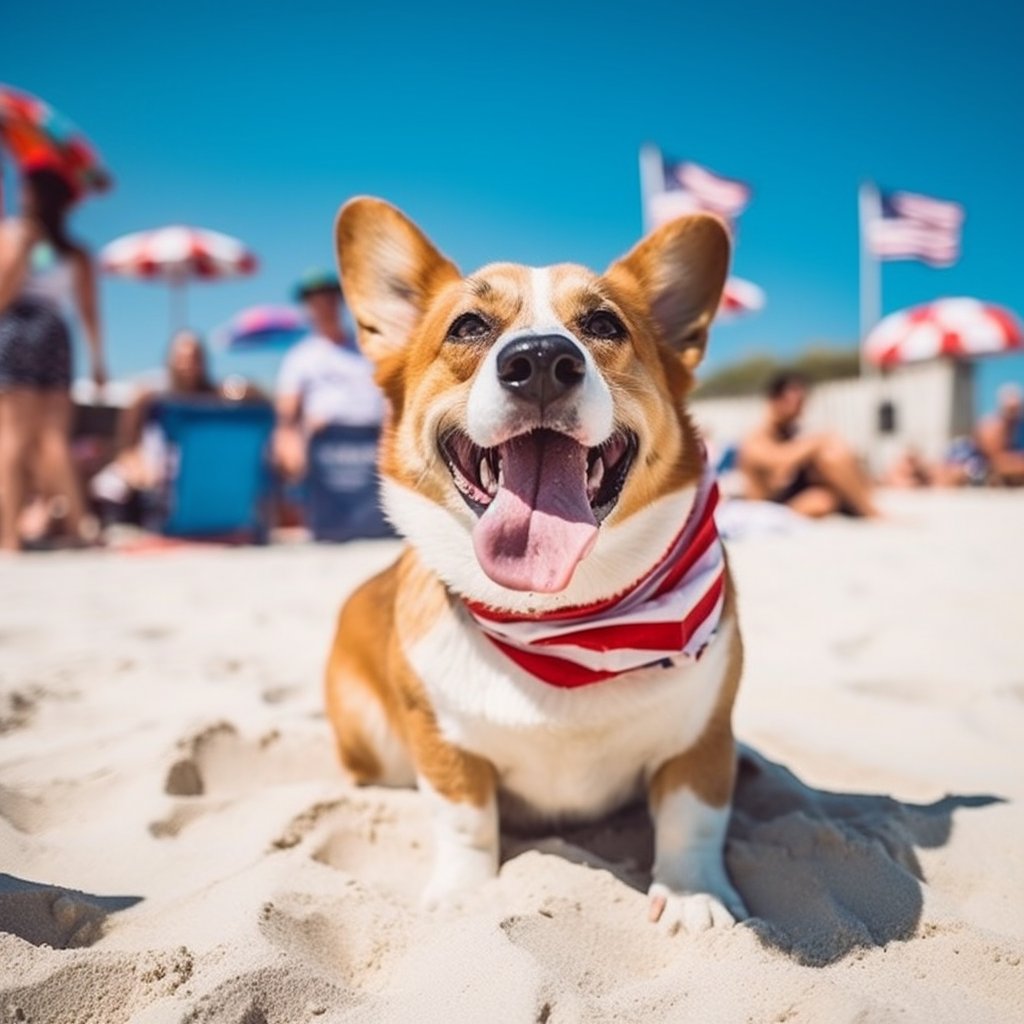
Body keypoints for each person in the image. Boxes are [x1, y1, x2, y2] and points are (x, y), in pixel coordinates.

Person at [0, 167, 106, 551]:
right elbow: (89, 313)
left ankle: (10, 536)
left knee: (22, 438)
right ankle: (77, 527)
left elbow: (2, 296)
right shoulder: (68, 250)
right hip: (53, 332)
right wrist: (97, 359)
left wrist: (18, 249)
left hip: (24, 327)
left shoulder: (19, 236)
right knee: (43, 439)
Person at [273, 269, 384, 480]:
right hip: (324, 449)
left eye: (329, 298)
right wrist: (291, 442)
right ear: (308, 307)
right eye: (316, 301)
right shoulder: (299, 357)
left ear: (340, 302)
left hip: (373, 445)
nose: (324, 306)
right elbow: (286, 418)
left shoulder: (371, 351)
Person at [738, 371, 881, 518]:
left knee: (830, 464)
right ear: (776, 400)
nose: (801, 410)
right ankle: (871, 512)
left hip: (788, 499)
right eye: (797, 402)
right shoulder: (755, 437)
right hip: (767, 506)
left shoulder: (790, 433)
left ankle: (866, 507)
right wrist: (819, 442)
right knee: (828, 465)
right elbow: (780, 462)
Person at [975, 382, 1024, 486]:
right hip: (984, 467)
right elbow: (996, 460)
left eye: (1016, 409)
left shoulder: (1019, 427)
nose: (1013, 413)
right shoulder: (991, 426)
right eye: (1010, 409)